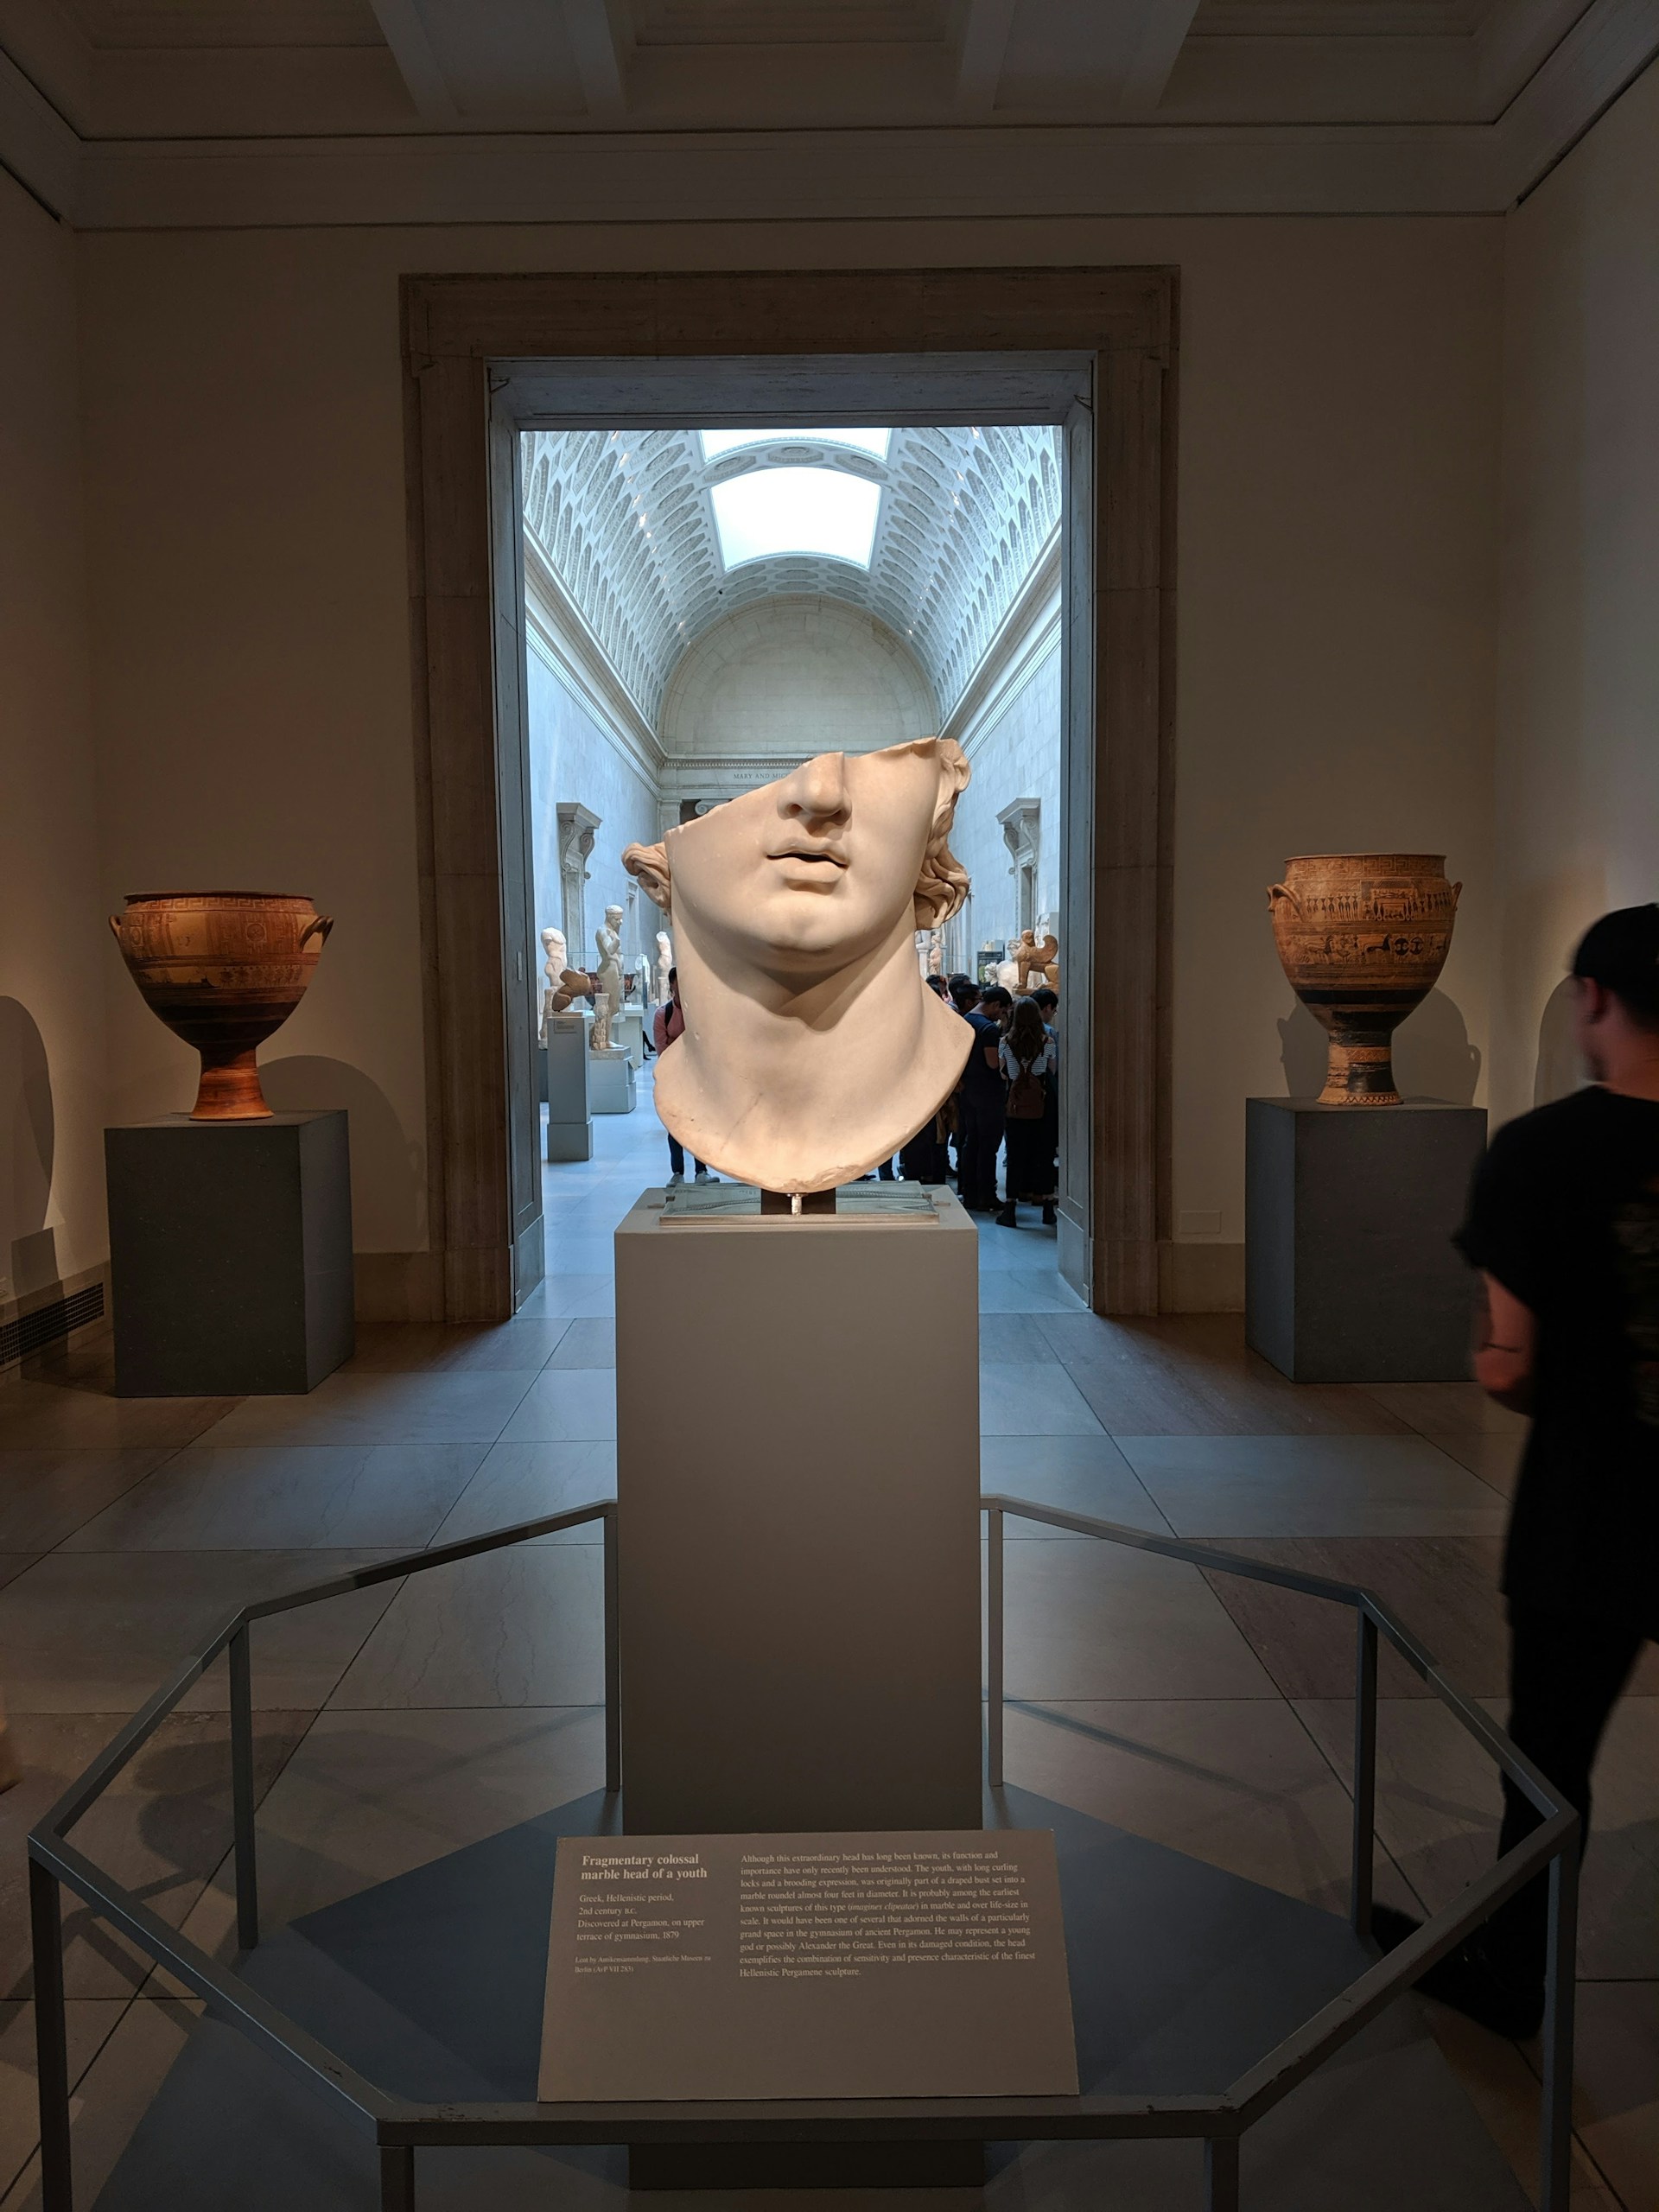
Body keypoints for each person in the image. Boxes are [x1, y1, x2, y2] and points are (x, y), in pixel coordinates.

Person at [1373, 904, 1659, 2037]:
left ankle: (1516, 1982)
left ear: (1593, 999)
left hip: (1594, 1504)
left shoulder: (1541, 1154)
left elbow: (1507, 1366)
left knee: (1550, 1766)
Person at [996, 998, 1058, 1229]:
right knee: (1044, 1155)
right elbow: (1051, 1071)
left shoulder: (1005, 1042)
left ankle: (1010, 1209)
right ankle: (1048, 1208)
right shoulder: (1047, 1041)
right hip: (1042, 1104)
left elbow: (1004, 1074)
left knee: (1015, 1156)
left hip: (1016, 1105)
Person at [652, 969, 714, 1185]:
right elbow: (662, 1050)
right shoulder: (663, 1014)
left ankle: (701, 1171)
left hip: (698, 1077)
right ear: (672, 985)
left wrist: (681, 1044)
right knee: (675, 1124)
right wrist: (688, 1045)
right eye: (679, 983)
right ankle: (677, 1172)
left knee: (700, 1123)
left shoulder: (699, 1012)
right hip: (674, 1077)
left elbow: (707, 1043)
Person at [949, 976, 1004, 1211]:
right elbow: (993, 1063)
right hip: (987, 1094)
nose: (1000, 1015)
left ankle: (969, 1192)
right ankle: (986, 1195)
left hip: (968, 1091)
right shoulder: (988, 1029)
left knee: (970, 1142)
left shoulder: (966, 1020)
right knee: (988, 1145)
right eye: (1002, 1011)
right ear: (995, 1005)